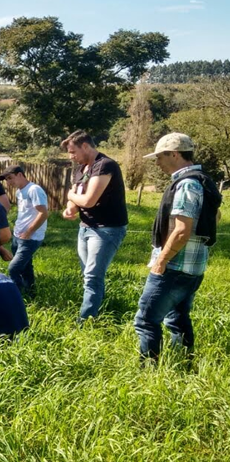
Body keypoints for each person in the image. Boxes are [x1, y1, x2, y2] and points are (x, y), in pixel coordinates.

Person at [134, 133, 222, 363]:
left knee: (146, 320)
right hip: (195, 265)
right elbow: (216, 217)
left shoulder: (186, 184)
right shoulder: (204, 180)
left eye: (160, 157)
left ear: (174, 154)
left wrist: (161, 261)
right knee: (177, 317)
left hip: (175, 265)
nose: (157, 162)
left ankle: (148, 373)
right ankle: (183, 362)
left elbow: (182, 230)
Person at [61, 130, 128, 322]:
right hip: (86, 227)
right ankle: (97, 308)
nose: (71, 157)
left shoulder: (105, 165)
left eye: (73, 152)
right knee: (88, 275)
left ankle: (86, 320)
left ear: (85, 146)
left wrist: (70, 196)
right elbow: (77, 197)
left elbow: (88, 200)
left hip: (107, 229)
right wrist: (70, 208)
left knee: (92, 276)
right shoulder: (80, 170)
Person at [0, 165, 49, 296]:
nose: (9, 182)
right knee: (26, 267)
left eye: (10, 178)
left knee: (14, 268)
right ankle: (31, 293)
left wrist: (29, 231)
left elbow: (43, 213)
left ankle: (17, 296)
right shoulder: (19, 191)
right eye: (6, 180)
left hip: (31, 237)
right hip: (18, 235)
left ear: (20, 174)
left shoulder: (34, 190)